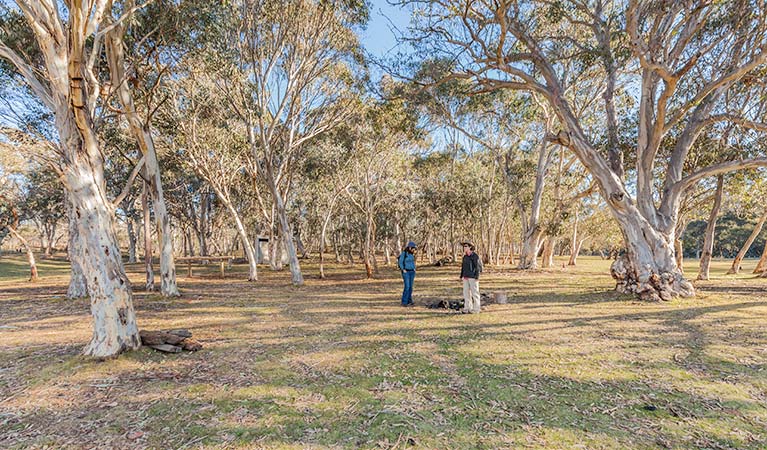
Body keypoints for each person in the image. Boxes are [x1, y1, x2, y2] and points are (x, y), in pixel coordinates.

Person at [460, 241, 482, 314]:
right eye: (464, 246)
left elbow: (478, 267)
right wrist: (462, 275)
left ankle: (476, 309)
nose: (464, 248)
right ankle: (467, 308)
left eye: (466, 246)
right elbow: (463, 267)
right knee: (466, 293)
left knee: (475, 293)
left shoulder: (475, 256)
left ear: (470, 247)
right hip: (466, 277)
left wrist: (477, 276)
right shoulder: (465, 257)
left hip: (473, 277)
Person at [397, 241, 417, 306]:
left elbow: (413, 262)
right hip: (406, 272)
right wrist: (403, 269)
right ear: (410, 247)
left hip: (412, 272)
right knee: (407, 286)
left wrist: (414, 268)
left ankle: (409, 300)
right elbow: (400, 262)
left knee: (411, 287)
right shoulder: (404, 254)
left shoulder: (412, 254)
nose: (414, 249)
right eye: (413, 248)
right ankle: (404, 302)